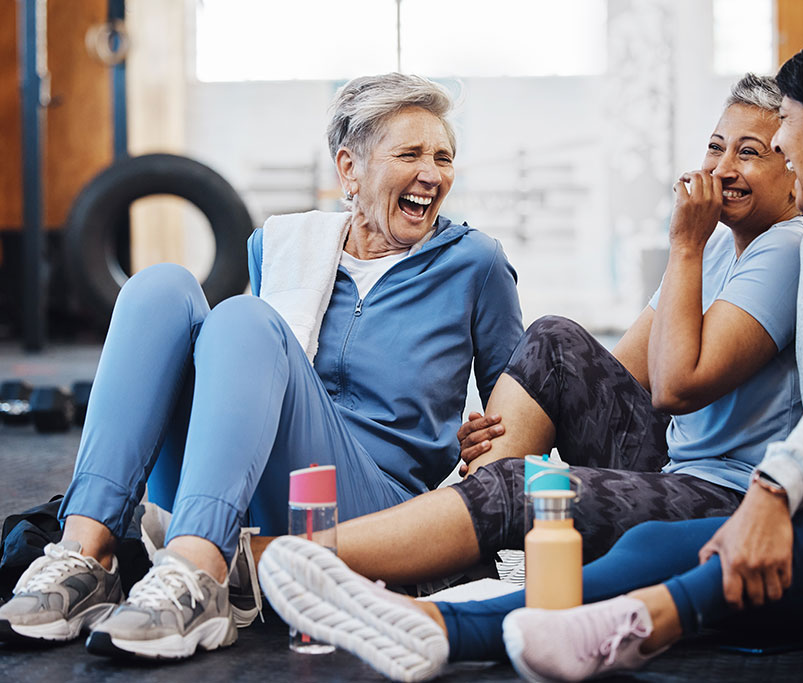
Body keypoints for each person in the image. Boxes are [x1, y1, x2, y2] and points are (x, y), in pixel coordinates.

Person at [255, 35, 803, 683]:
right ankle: (438, 621)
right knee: (650, 540)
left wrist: (771, 495)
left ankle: (601, 610)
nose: (776, 149)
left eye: (779, 129)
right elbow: (631, 379)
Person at [0, 73, 523, 661]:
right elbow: (242, 381)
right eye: (410, 154)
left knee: (246, 318)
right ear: (349, 169)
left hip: (371, 506)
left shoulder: (475, 263)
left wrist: (489, 439)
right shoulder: (280, 246)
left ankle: (199, 572)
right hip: (245, 483)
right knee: (160, 287)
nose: (433, 173)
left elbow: (523, 405)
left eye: (444, 157)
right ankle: (84, 555)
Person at [271, 73, 803, 591]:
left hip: (729, 491)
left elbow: (675, 387)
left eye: (750, 152)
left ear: (792, 169)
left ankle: (291, 556)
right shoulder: (716, 247)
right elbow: (612, 379)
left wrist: (684, 244)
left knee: (522, 490)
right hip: (672, 461)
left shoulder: (784, 247)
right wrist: (503, 429)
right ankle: (457, 528)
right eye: (717, 148)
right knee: (553, 340)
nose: (722, 169)